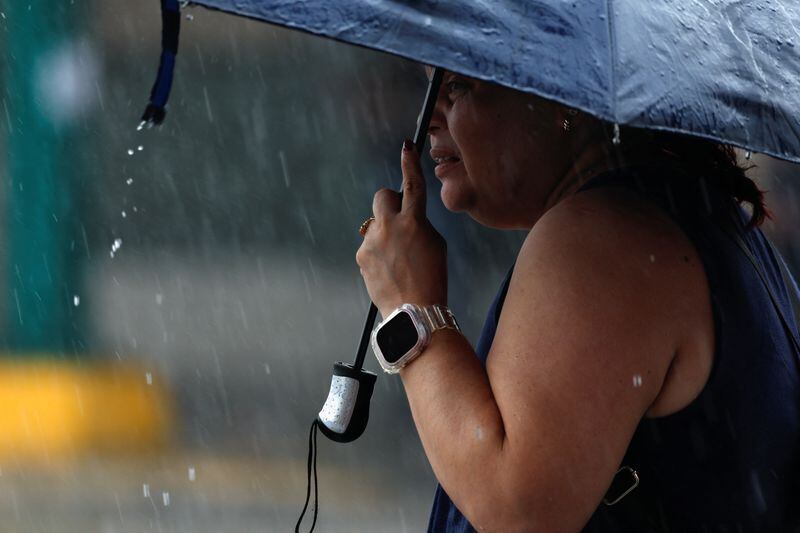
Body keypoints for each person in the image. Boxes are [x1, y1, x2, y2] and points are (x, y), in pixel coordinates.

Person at [355, 70, 800, 532]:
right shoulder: (695, 213)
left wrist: (412, 307)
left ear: (558, 97)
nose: (429, 117)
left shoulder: (603, 236)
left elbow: (518, 512)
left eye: (458, 87)